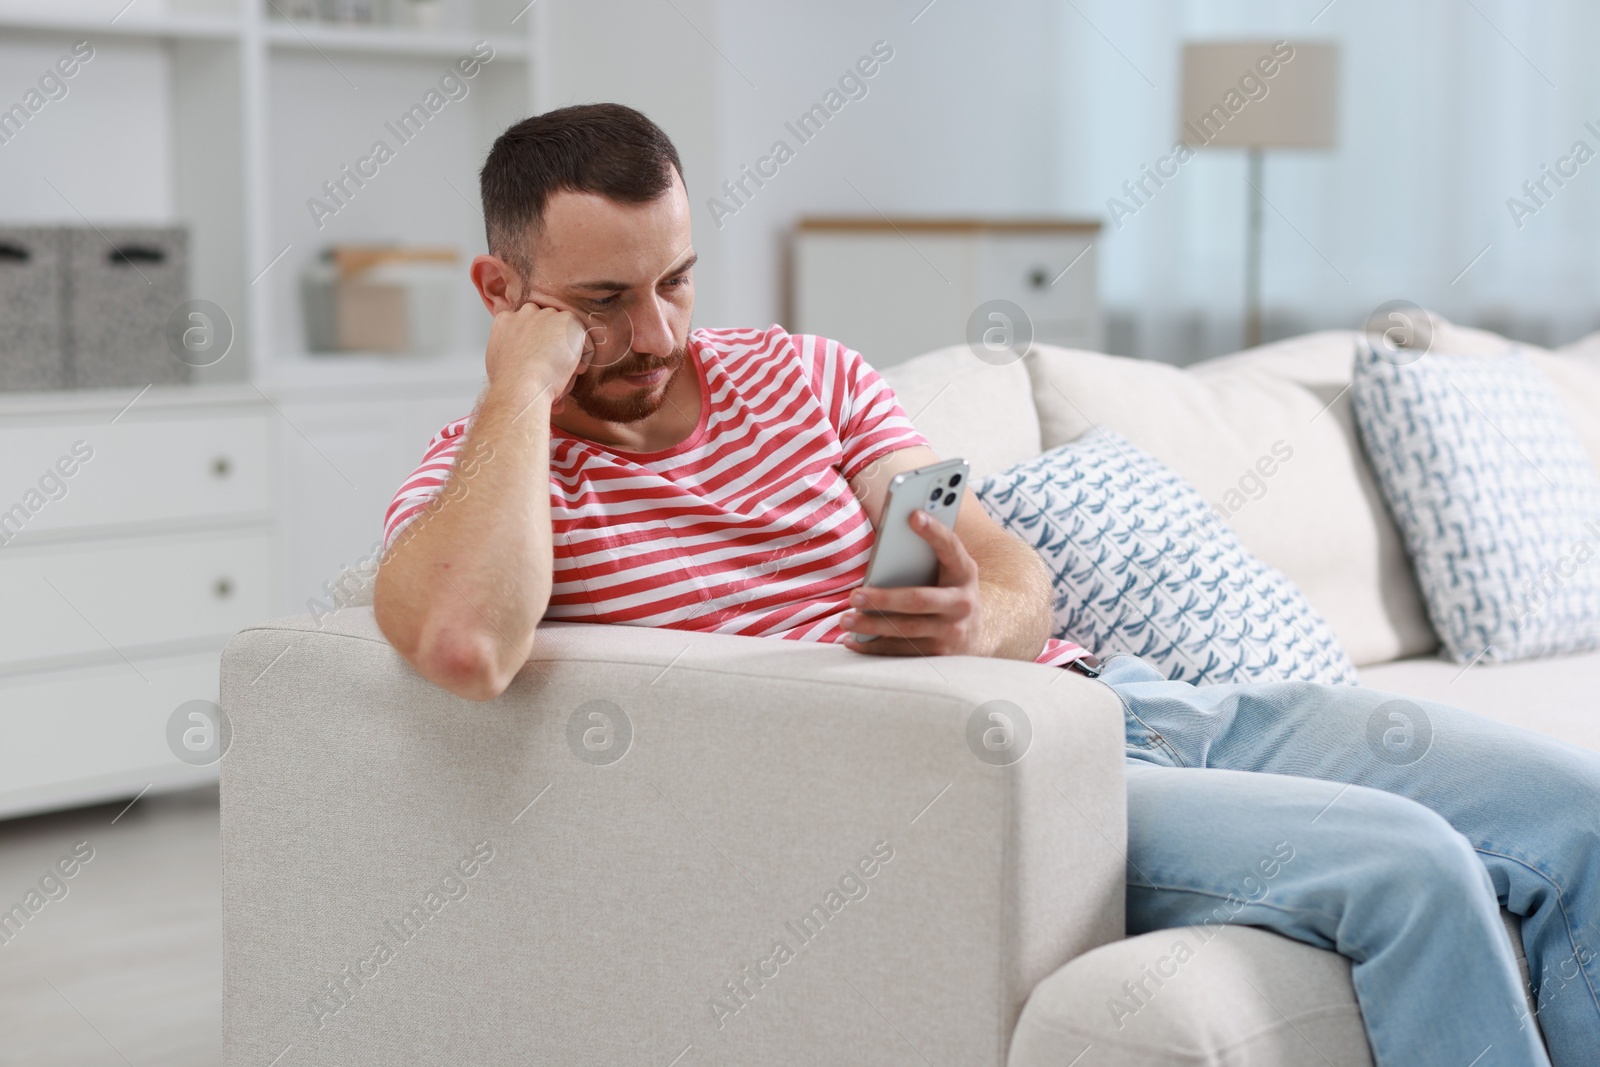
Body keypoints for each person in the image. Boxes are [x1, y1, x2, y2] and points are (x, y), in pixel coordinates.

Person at [372, 103, 1599, 1067]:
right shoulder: (493, 476)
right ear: (501, 293)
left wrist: (980, 614)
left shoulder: (809, 375)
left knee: (1574, 812)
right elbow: (465, 644)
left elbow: (1005, 562)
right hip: (987, 781)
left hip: (1132, 705)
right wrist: (520, 390)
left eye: (677, 280)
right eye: (599, 303)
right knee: (1411, 866)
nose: (656, 334)